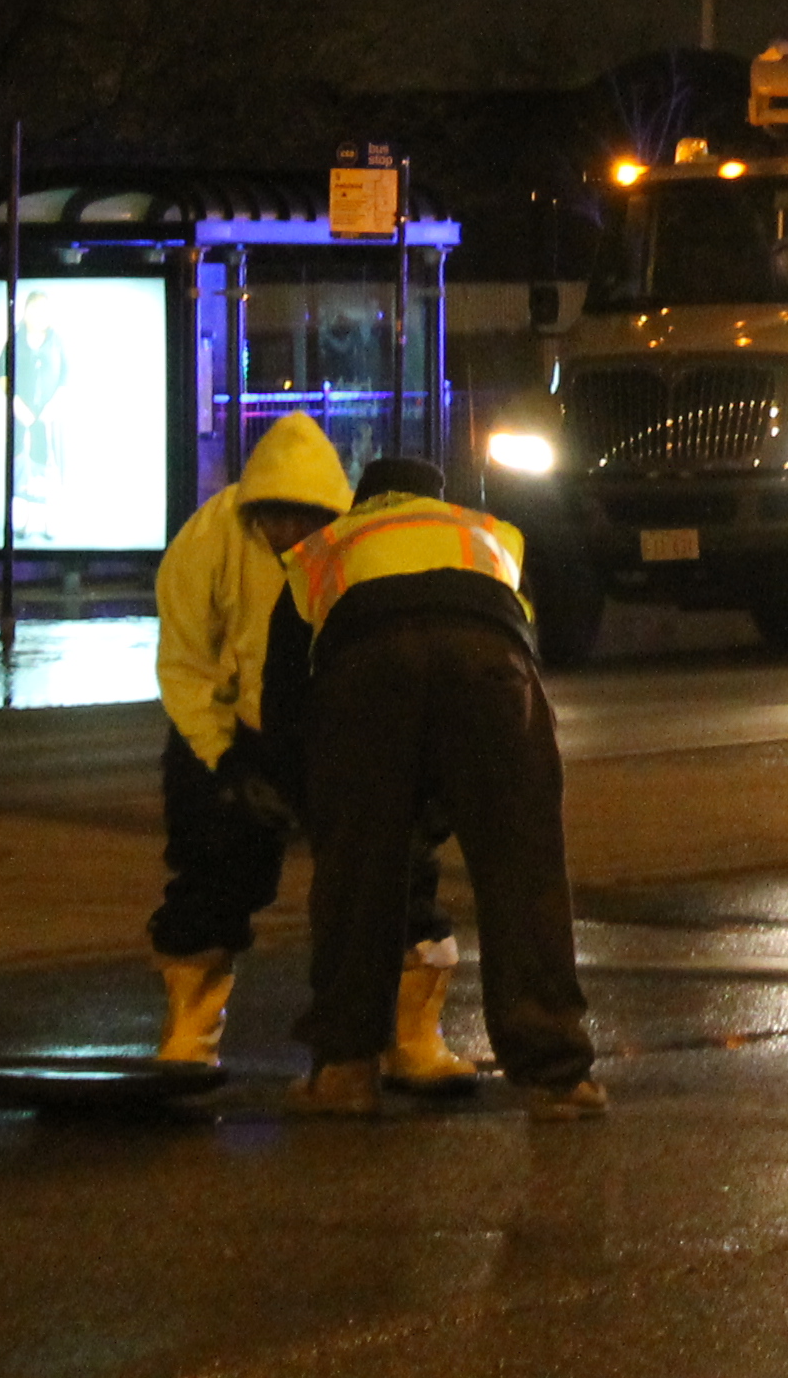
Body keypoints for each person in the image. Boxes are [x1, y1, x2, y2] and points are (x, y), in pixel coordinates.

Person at [265, 455, 600, 1118]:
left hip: (365, 668)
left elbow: (283, 700)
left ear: (364, 502)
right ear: (440, 498)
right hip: (490, 664)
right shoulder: (490, 535)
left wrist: (315, 810)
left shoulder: (326, 549)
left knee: (355, 879)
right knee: (523, 869)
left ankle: (344, 1071)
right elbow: (527, 643)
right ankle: (559, 1077)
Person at [144, 409, 355, 1065]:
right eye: (276, 516)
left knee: (388, 878)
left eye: (304, 517)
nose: (289, 531)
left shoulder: (350, 547)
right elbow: (185, 665)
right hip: (232, 729)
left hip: (328, 729)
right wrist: (225, 760)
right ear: (252, 507)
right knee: (213, 871)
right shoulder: (208, 540)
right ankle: (190, 1035)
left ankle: (408, 1037)